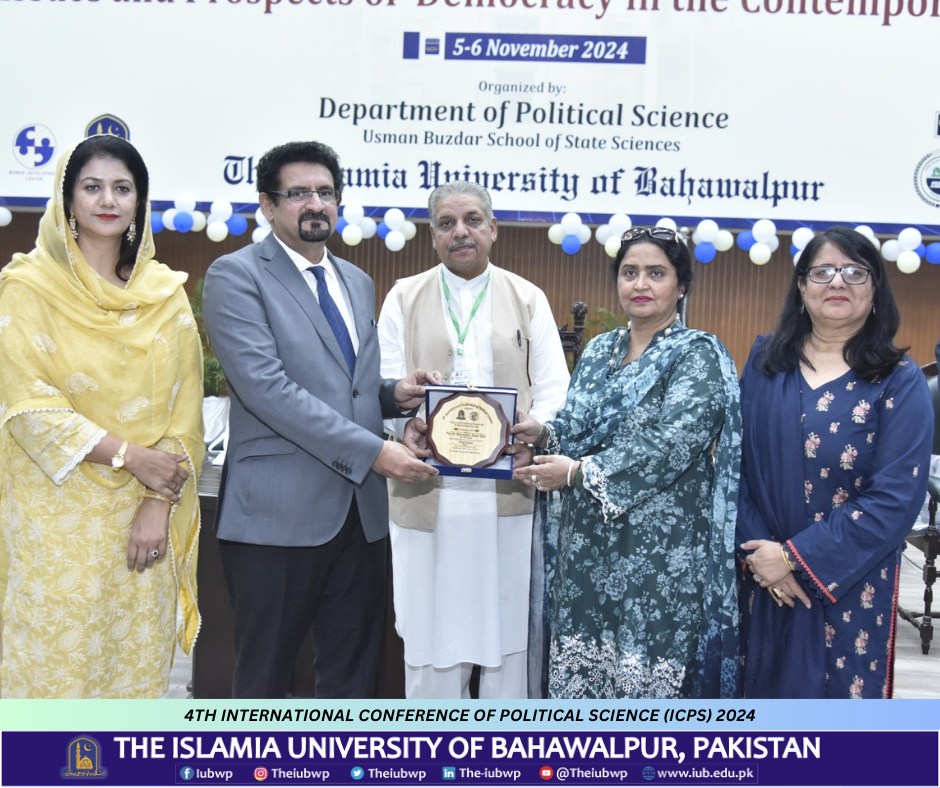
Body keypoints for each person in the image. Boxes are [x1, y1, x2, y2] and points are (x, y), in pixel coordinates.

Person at [202, 141, 439, 699]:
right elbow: (268, 390)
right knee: (264, 681)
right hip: (276, 515)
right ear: (267, 205)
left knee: (353, 680)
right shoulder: (236, 276)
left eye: (326, 192)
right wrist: (374, 452)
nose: (315, 204)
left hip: (360, 517)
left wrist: (394, 395)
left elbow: (347, 386)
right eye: (298, 193)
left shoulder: (356, 281)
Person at [0, 135, 204, 698]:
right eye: (92, 187)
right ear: (67, 199)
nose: (108, 200)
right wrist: (130, 456)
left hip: (140, 521)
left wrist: (157, 499)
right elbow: (28, 407)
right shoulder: (27, 288)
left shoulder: (164, 295)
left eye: (123, 188)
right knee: (50, 670)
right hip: (52, 520)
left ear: (140, 201)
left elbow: (185, 415)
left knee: (130, 670)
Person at [513, 226, 742, 699]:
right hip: (587, 545)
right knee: (584, 675)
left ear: (681, 286)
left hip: (659, 550)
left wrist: (578, 473)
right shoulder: (600, 351)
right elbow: (575, 426)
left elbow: (673, 443)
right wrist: (543, 434)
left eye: (656, 273)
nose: (640, 284)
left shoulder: (696, 354)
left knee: (647, 680)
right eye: (630, 272)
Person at [377, 181, 569, 699]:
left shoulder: (527, 297)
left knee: (507, 639)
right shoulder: (403, 296)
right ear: (432, 235)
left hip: (505, 497)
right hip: (427, 491)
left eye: (472, 220)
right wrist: (404, 423)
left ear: (493, 229)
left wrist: (536, 428)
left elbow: (554, 386)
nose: (460, 232)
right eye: (446, 223)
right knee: (430, 639)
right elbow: (384, 383)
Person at [738, 227, 932, 698]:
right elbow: (735, 469)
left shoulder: (898, 381)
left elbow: (894, 498)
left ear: (875, 289)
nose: (838, 282)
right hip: (759, 576)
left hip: (851, 584)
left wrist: (793, 559)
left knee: (836, 720)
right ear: (802, 287)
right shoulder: (765, 362)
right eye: (822, 271)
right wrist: (763, 557)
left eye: (854, 272)